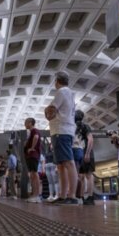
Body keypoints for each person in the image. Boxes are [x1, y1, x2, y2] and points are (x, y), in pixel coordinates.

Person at [44, 71, 79, 205]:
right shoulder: (69, 93)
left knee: (68, 163)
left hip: (61, 131)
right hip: (63, 131)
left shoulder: (61, 92)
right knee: (60, 165)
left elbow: (51, 111)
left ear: (57, 81)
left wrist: (46, 112)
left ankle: (72, 196)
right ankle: (63, 195)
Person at [75, 110, 95, 205]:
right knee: (81, 176)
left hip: (86, 153)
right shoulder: (76, 127)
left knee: (88, 175)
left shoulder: (85, 126)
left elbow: (90, 139)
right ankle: (82, 196)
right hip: (80, 153)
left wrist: (87, 153)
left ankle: (90, 197)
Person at [23, 117, 42, 203]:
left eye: (26, 122)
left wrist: (32, 148)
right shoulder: (31, 132)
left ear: (30, 123)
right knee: (32, 174)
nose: (25, 124)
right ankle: (34, 194)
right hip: (30, 156)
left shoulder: (34, 130)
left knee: (34, 173)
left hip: (33, 155)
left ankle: (37, 195)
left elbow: (36, 137)